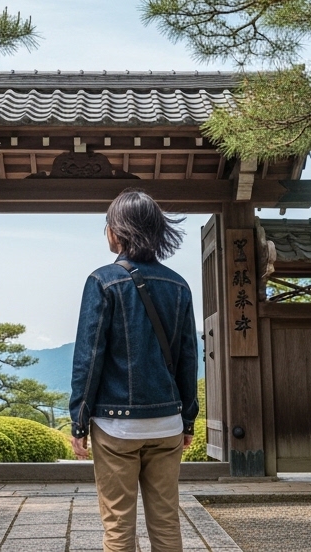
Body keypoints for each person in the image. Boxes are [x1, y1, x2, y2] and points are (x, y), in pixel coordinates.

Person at [70, 188, 199, 552]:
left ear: (119, 231)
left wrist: (79, 421)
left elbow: (89, 358)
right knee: (166, 523)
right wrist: (188, 419)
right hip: (167, 424)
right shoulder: (179, 285)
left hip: (116, 426)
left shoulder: (103, 281)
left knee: (118, 528)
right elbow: (189, 358)